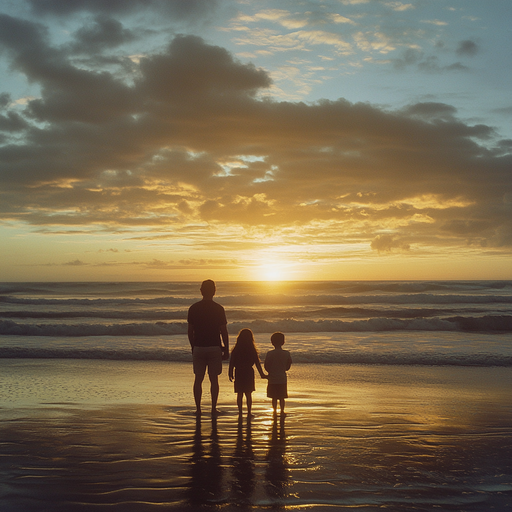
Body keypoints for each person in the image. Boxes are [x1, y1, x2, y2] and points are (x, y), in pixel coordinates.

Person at [187, 279, 229, 416]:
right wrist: (226, 348)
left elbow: (190, 331)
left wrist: (193, 346)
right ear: (214, 291)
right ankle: (213, 408)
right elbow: (223, 331)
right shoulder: (218, 308)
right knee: (214, 380)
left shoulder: (194, 308)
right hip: (214, 347)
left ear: (201, 291)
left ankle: (198, 409)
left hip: (199, 346)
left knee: (198, 379)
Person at [228, 328, 267, 418]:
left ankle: (240, 412)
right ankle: (249, 412)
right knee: (248, 394)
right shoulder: (252, 349)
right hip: (249, 372)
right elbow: (257, 363)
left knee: (240, 393)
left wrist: (230, 373)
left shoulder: (236, 349)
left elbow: (232, 362)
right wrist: (262, 374)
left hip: (239, 372)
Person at [264, 332, 292, 416]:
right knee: (282, 397)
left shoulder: (270, 353)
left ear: (272, 342)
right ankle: (282, 410)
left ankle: (275, 411)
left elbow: (266, 365)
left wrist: (270, 371)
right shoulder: (286, 353)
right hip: (282, 378)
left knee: (274, 397)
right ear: (283, 342)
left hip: (272, 378)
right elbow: (288, 366)